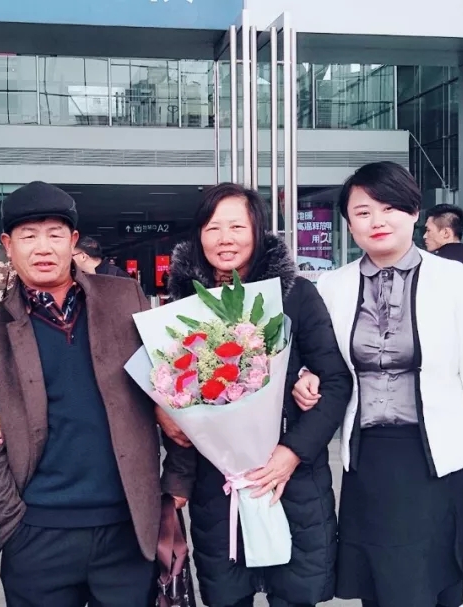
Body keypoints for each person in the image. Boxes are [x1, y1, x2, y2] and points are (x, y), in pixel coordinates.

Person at [294, 161, 463, 607]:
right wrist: (305, 376)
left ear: (414, 213)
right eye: (363, 212)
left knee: (435, 587)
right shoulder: (332, 286)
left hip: (442, 463)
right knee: (381, 589)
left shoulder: (458, 281)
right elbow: (319, 360)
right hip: (368, 463)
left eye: (389, 207)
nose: (377, 220)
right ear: (349, 224)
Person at [0, 181, 189, 607]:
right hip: (37, 534)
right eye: (29, 236)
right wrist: (11, 523)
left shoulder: (125, 299)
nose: (43, 247)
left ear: (73, 241)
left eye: (55, 234)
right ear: (8, 246)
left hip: (126, 530)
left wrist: (176, 482)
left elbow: (177, 391)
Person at [160, 183, 353, 607]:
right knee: (228, 594)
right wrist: (166, 414)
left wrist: (292, 452)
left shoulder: (295, 295)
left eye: (237, 227)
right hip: (219, 486)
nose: (224, 239)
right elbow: (173, 388)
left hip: (293, 481)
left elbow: (336, 381)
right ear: (199, 234)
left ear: (257, 230)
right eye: (213, 228)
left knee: (294, 593)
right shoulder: (183, 305)